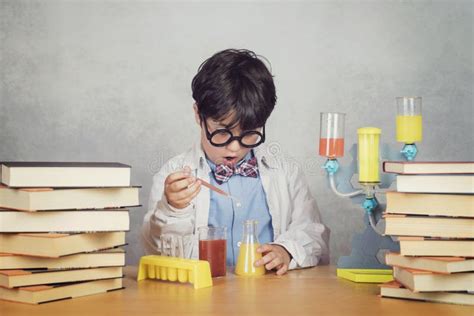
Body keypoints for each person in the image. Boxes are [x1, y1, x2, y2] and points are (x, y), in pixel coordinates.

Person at [142, 49, 329, 275]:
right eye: (222, 133)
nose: (235, 148)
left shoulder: (285, 172)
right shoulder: (172, 175)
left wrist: (286, 250)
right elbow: (159, 252)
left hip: (271, 297)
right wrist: (173, 209)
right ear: (198, 115)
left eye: (249, 133)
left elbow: (312, 231)